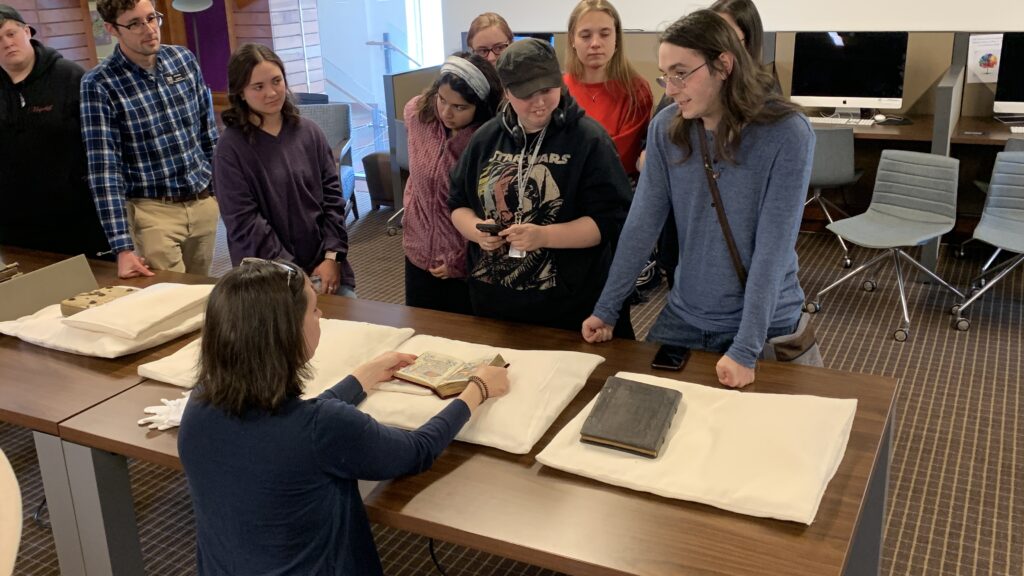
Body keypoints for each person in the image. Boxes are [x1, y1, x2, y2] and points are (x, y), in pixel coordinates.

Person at [178, 258, 510, 575]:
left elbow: (297, 426)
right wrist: (477, 390)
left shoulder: (199, 403)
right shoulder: (324, 427)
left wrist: (360, 379)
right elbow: (416, 450)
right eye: (313, 309)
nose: (321, 314)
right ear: (288, 333)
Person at [582, 10, 814, 389]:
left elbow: (773, 251)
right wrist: (607, 308)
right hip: (686, 315)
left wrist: (745, 348)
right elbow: (642, 224)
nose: (669, 88)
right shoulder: (667, 128)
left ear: (723, 64)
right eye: (665, 75)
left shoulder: (787, 133)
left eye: (680, 73)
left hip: (764, 322)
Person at [449, 38, 634, 337]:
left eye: (547, 90)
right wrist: (477, 230)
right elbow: (457, 203)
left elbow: (610, 221)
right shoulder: (485, 138)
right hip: (494, 301)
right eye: (526, 94)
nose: (539, 102)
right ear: (507, 92)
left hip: (568, 305)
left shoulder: (589, 140)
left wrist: (544, 236)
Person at [81, 0, 219, 278]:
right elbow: (105, 170)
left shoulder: (183, 59)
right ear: (112, 29)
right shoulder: (99, 83)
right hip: (153, 211)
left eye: (151, 18)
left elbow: (209, 135)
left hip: (202, 201)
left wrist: (220, 192)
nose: (149, 29)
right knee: (173, 301)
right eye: (134, 23)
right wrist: (122, 245)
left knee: (206, 294)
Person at [645, 0, 770, 287]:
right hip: (687, 251)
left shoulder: (774, 123)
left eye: (726, 36)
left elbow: (770, 248)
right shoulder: (673, 109)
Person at [214, 44, 355, 296]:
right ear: (241, 93)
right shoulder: (230, 148)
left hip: (324, 268)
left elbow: (333, 201)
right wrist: (293, 274)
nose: (271, 92)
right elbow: (245, 224)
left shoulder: (310, 132)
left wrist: (332, 257)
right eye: (258, 87)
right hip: (268, 277)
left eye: (276, 81)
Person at [0, 5, 109, 256]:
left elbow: (99, 145)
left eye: (11, 34)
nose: (6, 43)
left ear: (27, 32)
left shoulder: (71, 77)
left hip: (74, 216)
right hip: (13, 223)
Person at [403, 53, 502, 313]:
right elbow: (416, 183)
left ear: (480, 106)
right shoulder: (417, 115)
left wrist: (460, 262)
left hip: (464, 267)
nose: (447, 112)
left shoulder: (488, 141)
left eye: (460, 107)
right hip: (417, 255)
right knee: (419, 339)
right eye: (442, 100)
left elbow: (488, 212)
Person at [563, 0, 652, 180]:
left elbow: (620, 157)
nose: (595, 43)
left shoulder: (636, 91)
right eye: (585, 35)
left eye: (604, 34)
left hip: (615, 192)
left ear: (616, 39)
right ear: (572, 40)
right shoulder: (558, 90)